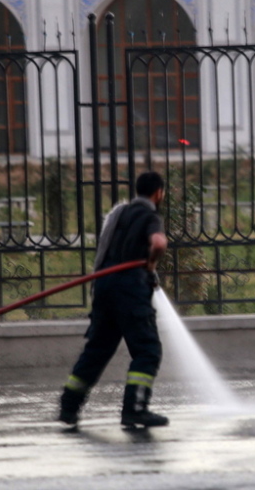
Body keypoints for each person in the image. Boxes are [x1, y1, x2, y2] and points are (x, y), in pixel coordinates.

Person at [58, 171, 169, 429]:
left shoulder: (121, 213)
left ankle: (69, 407)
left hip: (105, 286)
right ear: (158, 193)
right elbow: (159, 243)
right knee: (147, 351)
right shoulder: (150, 216)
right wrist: (151, 264)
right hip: (130, 290)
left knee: (97, 350)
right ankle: (135, 410)